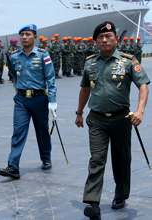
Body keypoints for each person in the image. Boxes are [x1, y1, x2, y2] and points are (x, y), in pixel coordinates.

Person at [75, 21, 150, 220]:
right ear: (96, 41)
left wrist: (140, 111)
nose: (105, 40)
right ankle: (92, 202)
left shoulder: (128, 60)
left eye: (109, 36)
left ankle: (121, 195)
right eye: (100, 37)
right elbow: (85, 89)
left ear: (116, 38)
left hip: (122, 119)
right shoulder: (90, 62)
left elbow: (143, 86)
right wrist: (79, 112)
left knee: (122, 159)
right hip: (97, 120)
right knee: (97, 160)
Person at [0, 23, 57, 179]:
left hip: (40, 99)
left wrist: (53, 100)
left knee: (42, 130)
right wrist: (19, 93)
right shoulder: (14, 56)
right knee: (18, 132)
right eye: (22, 35)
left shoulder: (43, 54)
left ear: (35, 37)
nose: (24, 37)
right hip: (21, 100)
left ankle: (46, 158)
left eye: (28, 34)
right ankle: (13, 166)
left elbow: (50, 78)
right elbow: (15, 77)